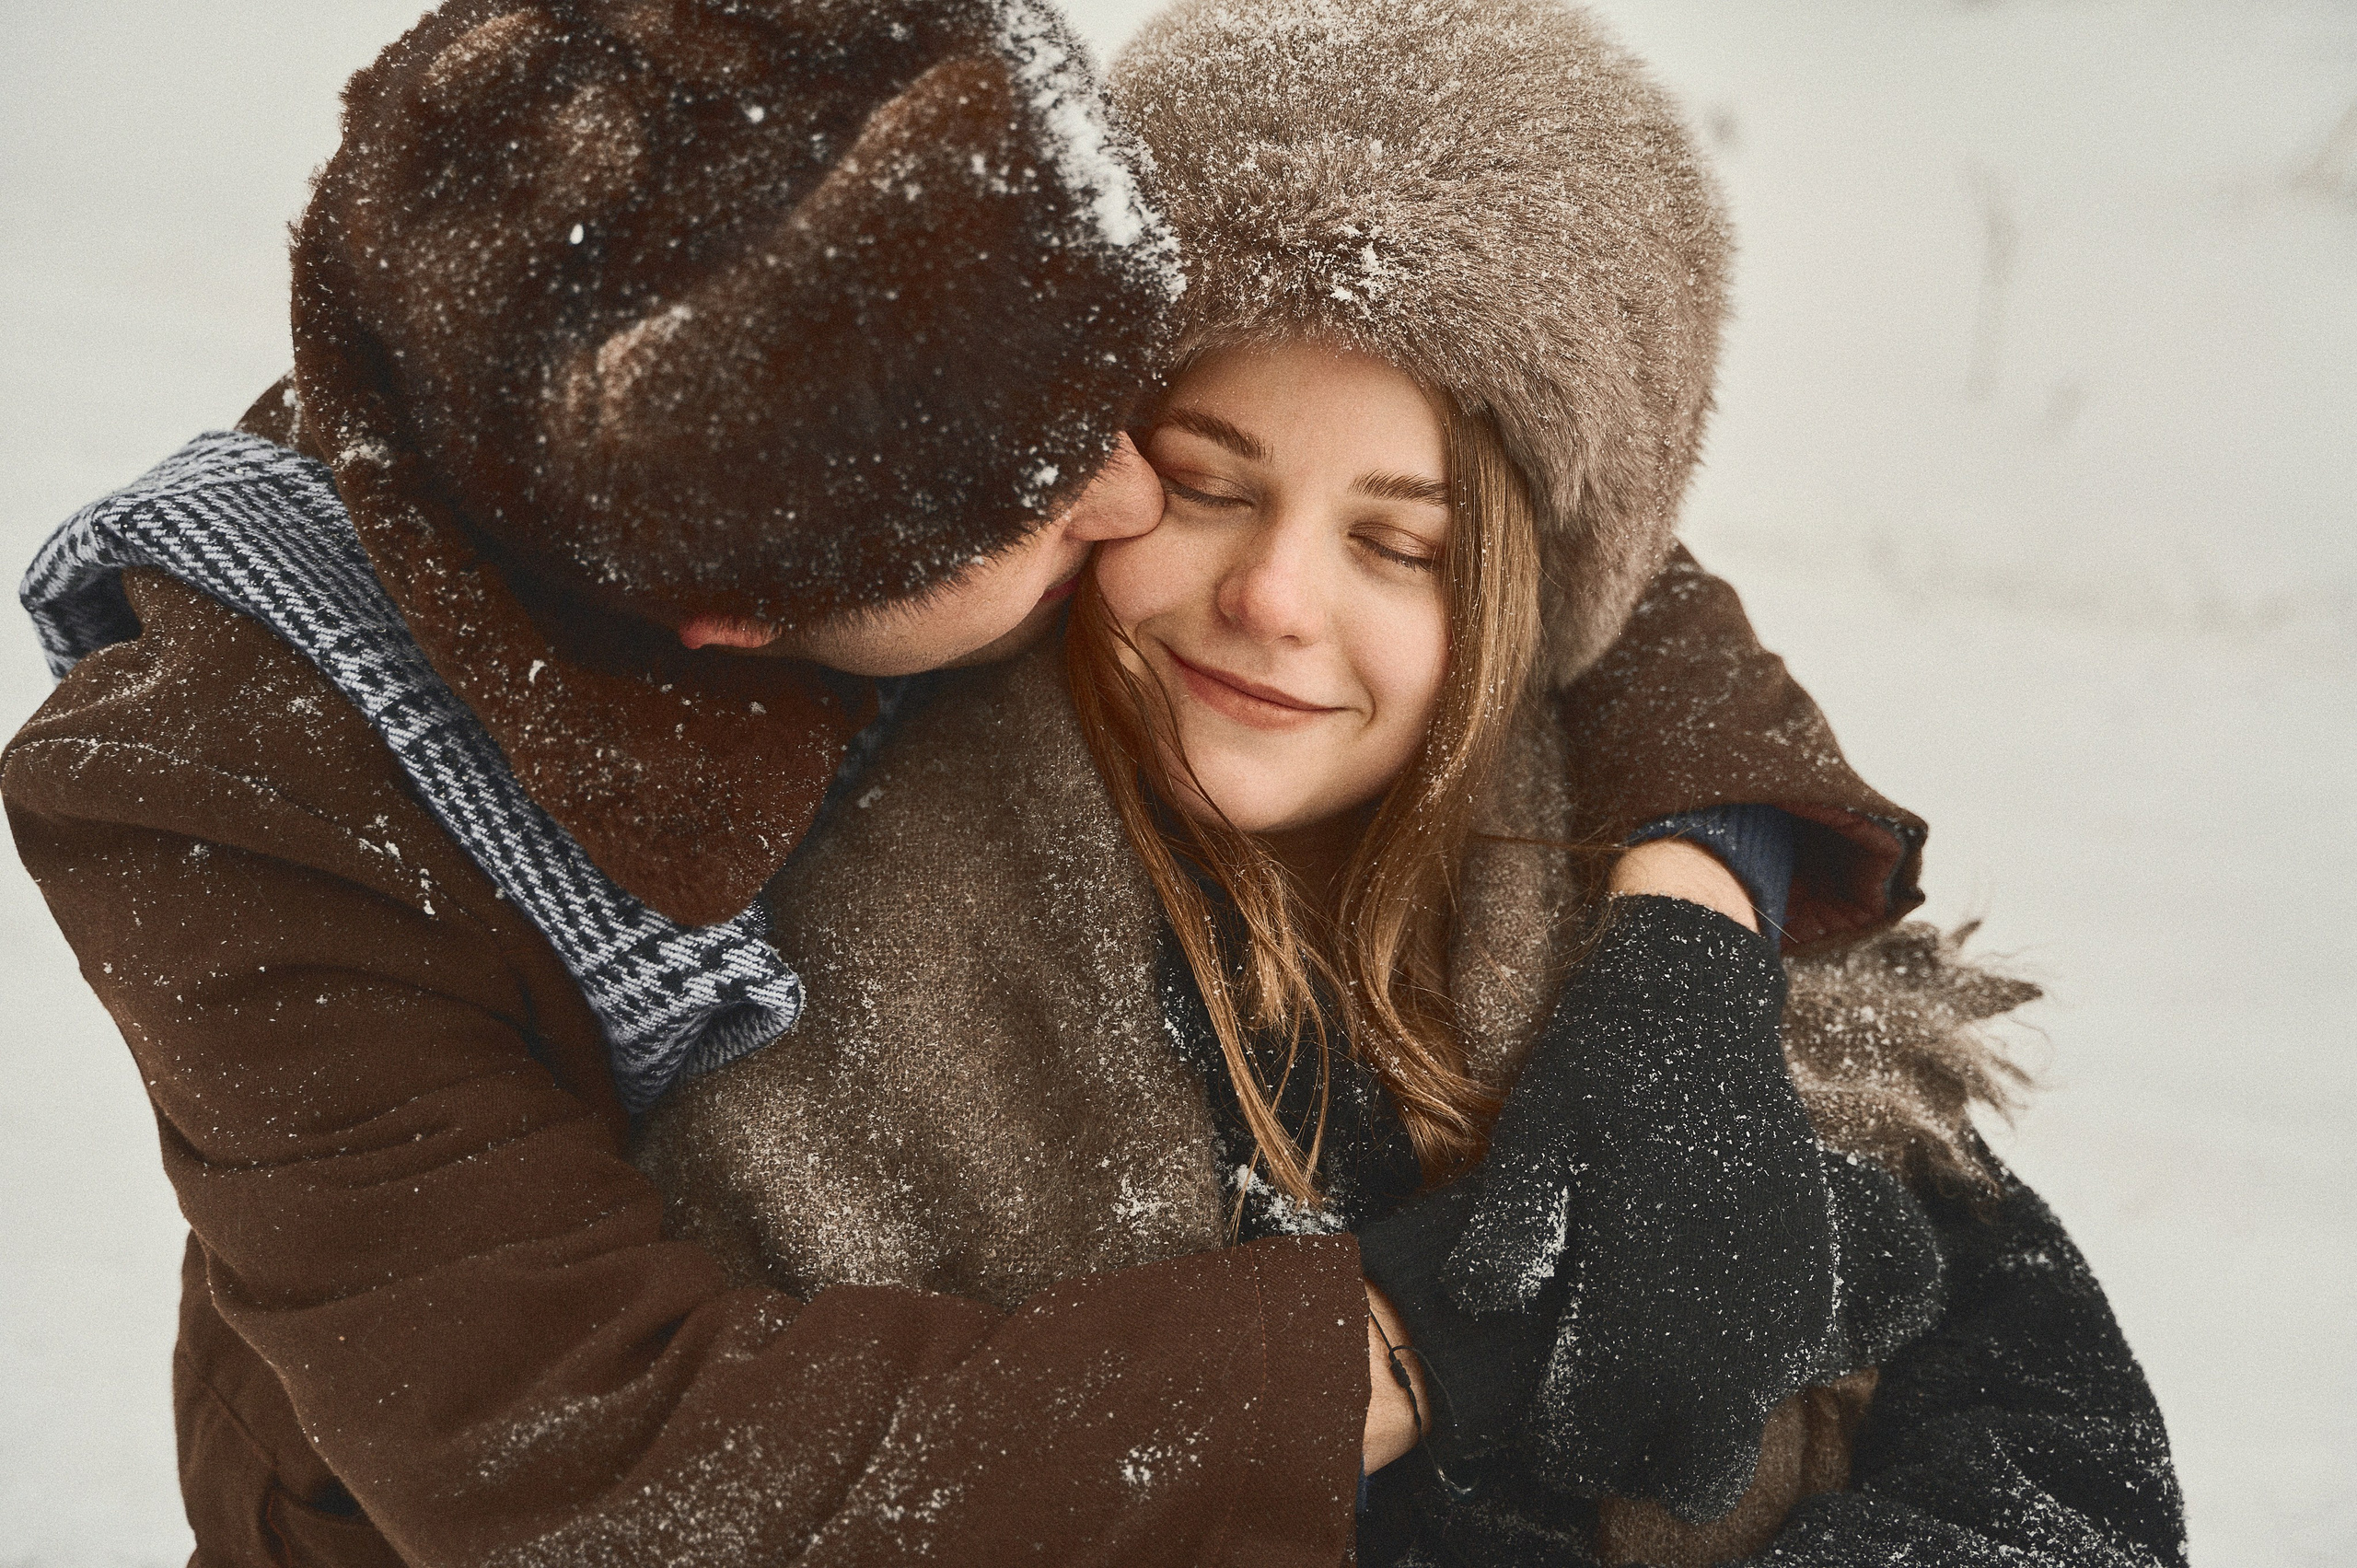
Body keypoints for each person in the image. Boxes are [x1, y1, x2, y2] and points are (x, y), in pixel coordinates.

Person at [10, 1, 1953, 1562]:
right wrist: (1408, 1347)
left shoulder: (887, 314)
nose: (1125, 497)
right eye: (1119, 478)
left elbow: (1540, 486)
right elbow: (599, 1478)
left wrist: (1695, 913)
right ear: (751, 619)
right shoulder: (243, 808)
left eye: (1112, 405)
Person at [636, 1, 2189, 1564]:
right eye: (1205, 485)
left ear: (1516, 607)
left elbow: (2060, 1460)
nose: (1276, 599)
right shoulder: (821, 985)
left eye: (1401, 545)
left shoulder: (1680, 939)